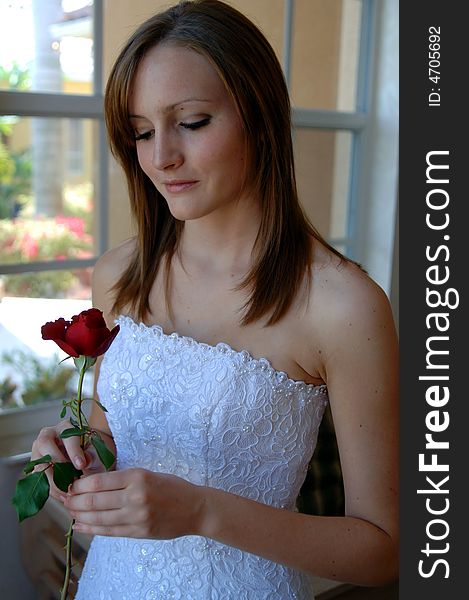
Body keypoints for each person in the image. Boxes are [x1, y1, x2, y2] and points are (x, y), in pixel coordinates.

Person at [31, 1, 399, 598]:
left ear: (259, 113)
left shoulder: (343, 307)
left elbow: (383, 550)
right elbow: (109, 439)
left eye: (193, 122)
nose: (160, 157)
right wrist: (76, 462)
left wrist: (203, 512)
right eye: (142, 132)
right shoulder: (120, 275)